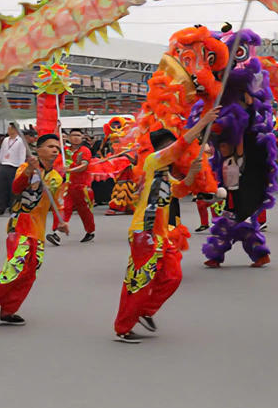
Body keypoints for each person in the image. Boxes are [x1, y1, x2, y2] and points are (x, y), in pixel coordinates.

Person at [113, 107, 219, 343]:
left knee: (173, 276)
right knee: (139, 279)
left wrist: (191, 174)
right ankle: (123, 326)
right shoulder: (152, 162)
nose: (175, 153)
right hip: (144, 231)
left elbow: (179, 191)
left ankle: (144, 311)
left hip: (160, 235)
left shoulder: (163, 174)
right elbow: (181, 145)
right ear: (162, 149)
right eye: (170, 148)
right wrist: (203, 123)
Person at [0, 134, 67, 325]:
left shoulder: (56, 178)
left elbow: (57, 204)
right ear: (39, 149)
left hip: (38, 230)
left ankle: (9, 310)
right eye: (50, 146)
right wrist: (29, 171)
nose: (54, 150)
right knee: (16, 267)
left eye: (57, 148)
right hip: (19, 226)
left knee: (30, 272)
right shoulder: (25, 168)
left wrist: (61, 222)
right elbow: (16, 188)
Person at [60, 129, 96, 242]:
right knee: (65, 207)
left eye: (78, 135)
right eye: (73, 135)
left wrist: (69, 170)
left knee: (84, 210)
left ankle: (90, 231)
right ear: (69, 138)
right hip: (68, 185)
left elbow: (84, 166)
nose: (76, 137)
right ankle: (56, 232)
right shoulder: (65, 150)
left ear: (82, 137)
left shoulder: (84, 150)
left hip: (82, 185)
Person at [0, 122, 27, 215]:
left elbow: (22, 155)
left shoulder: (20, 141)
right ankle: (1, 208)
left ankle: (13, 207)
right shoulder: (5, 140)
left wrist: (21, 169)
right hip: (4, 165)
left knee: (13, 189)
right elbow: (1, 153)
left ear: (15, 129)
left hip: (14, 166)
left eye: (10, 128)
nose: (8, 130)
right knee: (2, 188)